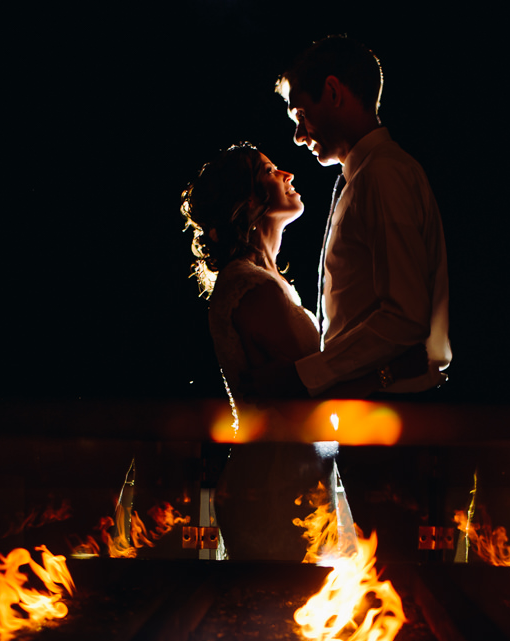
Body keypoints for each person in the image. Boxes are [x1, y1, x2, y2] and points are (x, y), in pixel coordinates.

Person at [275, 35, 449, 398]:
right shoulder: (369, 175)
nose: (297, 135)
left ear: (334, 92)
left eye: (301, 115)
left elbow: (405, 316)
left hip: (392, 415)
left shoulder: (381, 175)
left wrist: (306, 375)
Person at [180, 143, 408, 402]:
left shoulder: (269, 281)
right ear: (247, 198)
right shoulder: (251, 287)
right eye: (269, 171)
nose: (287, 174)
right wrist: (392, 372)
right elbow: (310, 396)